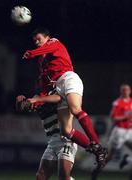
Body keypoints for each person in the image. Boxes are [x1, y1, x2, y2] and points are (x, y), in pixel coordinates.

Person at [23, 27, 107, 168]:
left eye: (39, 39)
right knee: (66, 131)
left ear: (47, 37)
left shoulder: (54, 43)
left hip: (68, 78)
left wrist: (32, 53)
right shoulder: (42, 62)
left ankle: (96, 143)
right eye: (34, 41)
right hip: (58, 88)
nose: (37, 42)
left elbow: (48, 48)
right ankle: (97, 151)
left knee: (75, 109)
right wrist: (33, 101)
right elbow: (44, 89)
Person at [16, 92, 77, 180]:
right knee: (40, 176)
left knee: (63, 177)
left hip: (65, 140)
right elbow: (23, 107)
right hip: (52, 141)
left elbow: (59, 98)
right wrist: (20, 102)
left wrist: (38, 99)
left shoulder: (56, 92)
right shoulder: (38, 97)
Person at [91, 84, 132, 180]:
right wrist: (126, 117)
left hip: (129, 131)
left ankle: (127, 161)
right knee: (109, 156)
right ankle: (96, 171)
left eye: (127, 90)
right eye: (123, 90)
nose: (125, 91)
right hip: (119, 131)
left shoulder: (131, 102)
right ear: (121, 92)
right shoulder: (118, 103)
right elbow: (113, 118)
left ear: (129, 91)